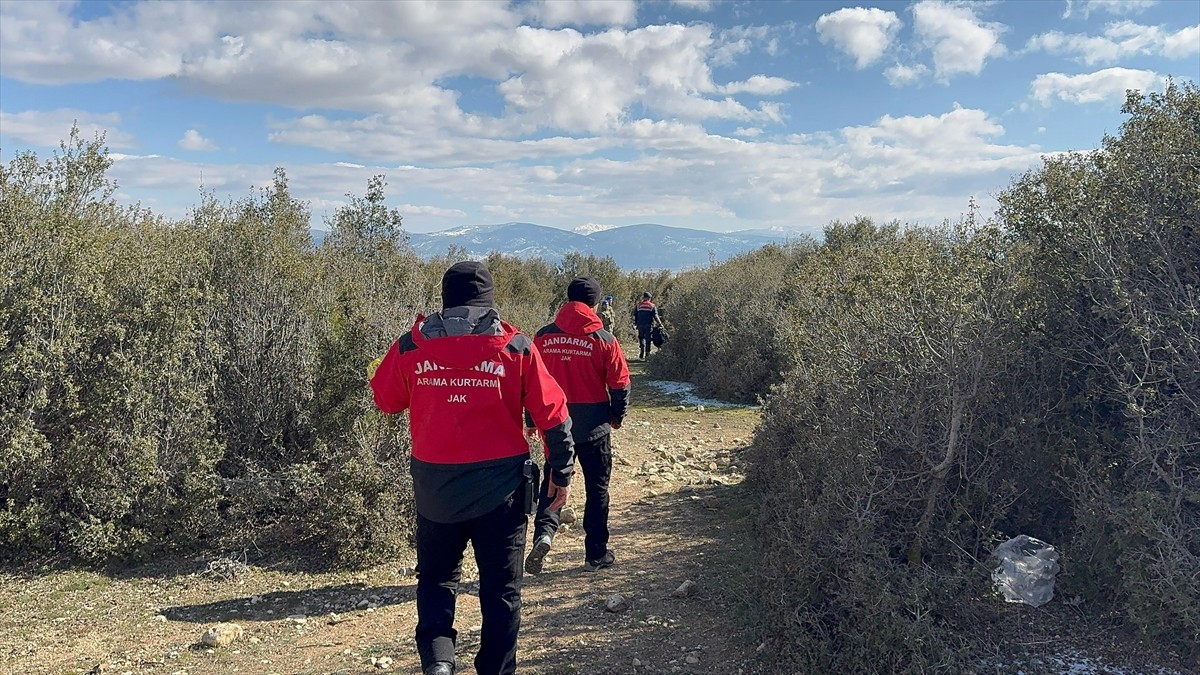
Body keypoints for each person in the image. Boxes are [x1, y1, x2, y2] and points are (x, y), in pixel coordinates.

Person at [369, 261, 575, 675]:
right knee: (500, 592)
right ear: (488, 302)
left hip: (435, 490)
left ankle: (439, 664)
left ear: (445, 300)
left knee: (436, 581)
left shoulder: (410, 347)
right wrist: (562, 476)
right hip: (502, 492)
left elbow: (385, 400)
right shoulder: (515, 347)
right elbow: (553, 415)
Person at [525, 276, 630, 575]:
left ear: (567, 300)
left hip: (556, 424)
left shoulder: (543, 337)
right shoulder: (604, 339)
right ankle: (595, 554)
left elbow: (531, 384)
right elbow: (620, 383)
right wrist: (617, 416)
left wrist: (532, 420)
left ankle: (544, 535)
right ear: (595, 304)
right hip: (594, 425)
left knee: (554, 481)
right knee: (597, 488)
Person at [631, 291, 662, 360]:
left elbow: (635, 315)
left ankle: (642, 350)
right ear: (649, 298)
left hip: (640, 325)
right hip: (648, 325)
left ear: (643, 298)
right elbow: (655, 316)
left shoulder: (638, 305)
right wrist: (660, 324)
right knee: (648, 339)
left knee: (641, 337)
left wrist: (635, 323)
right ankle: (647, 354)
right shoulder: (652, 306)